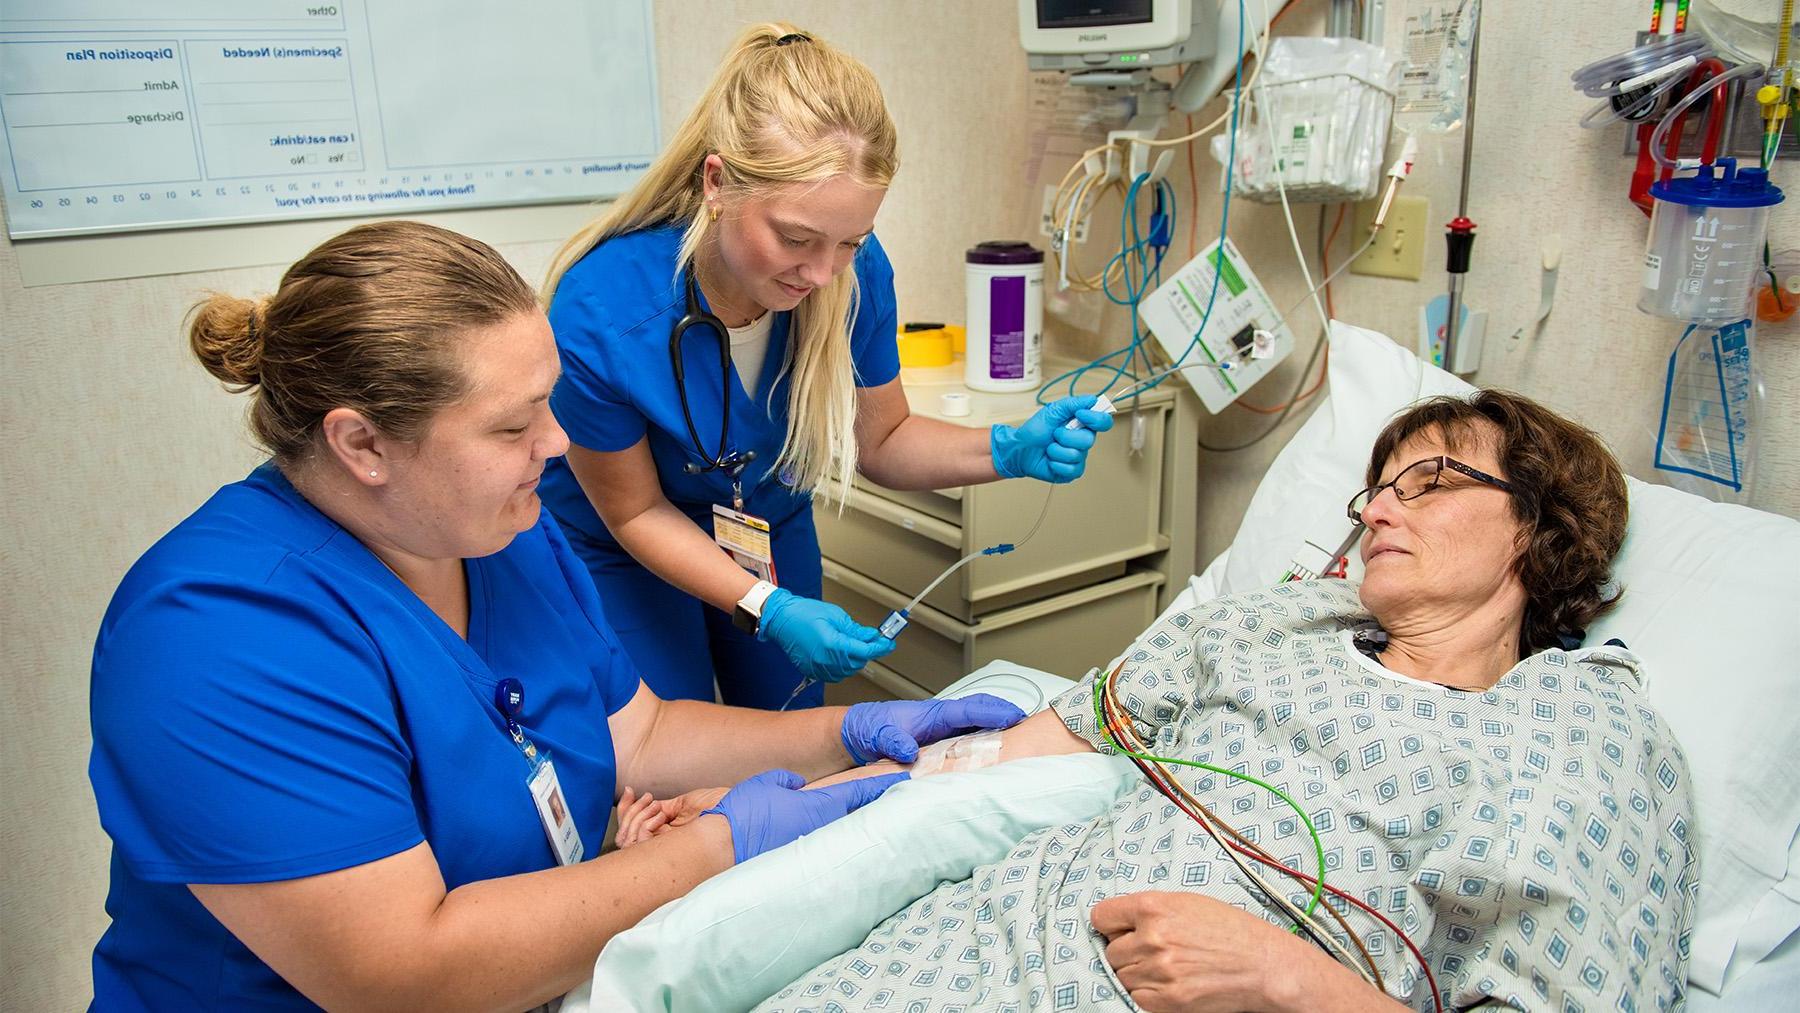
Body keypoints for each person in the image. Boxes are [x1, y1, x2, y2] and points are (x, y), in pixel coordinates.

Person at [86, 220, 1025, 1011]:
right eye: (513, 424)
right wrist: (725, 843)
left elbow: (641, 734)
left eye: (550, 402)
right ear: (362, 442)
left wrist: (852, 732)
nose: (559, 441)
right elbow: (404, 974)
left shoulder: (501, 533)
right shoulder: (215, 637)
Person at [753, 390, 1698, 1012]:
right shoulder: (1275, 624)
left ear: (1537, 529)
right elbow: (1035, 743)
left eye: (1430, 481)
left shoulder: (1577, 726)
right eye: (1374, 490)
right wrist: (797, 799)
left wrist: (1285, 978)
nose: (1374, 510)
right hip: (955, 951)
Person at [538, 22, 1114, 710]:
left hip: (763, 524)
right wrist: (767, 606)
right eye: (796, 238)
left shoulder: (855, 276)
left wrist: (1007, 449)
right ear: (717, 184)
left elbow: (886, 440)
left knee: (786, 733)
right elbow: (634, 512)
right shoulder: (601, 310)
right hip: (626, 544)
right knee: (670, 750)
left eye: (850, 241)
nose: (820, 272)